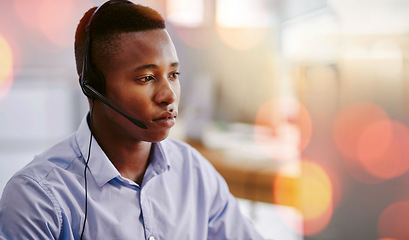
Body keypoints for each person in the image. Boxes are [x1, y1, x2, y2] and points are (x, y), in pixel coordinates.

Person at [0, 1, 264, 239]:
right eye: (146, 78)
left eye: (173, 74)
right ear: (94, 88)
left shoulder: (193, 171)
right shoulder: (37, 198)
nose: (168, 95)